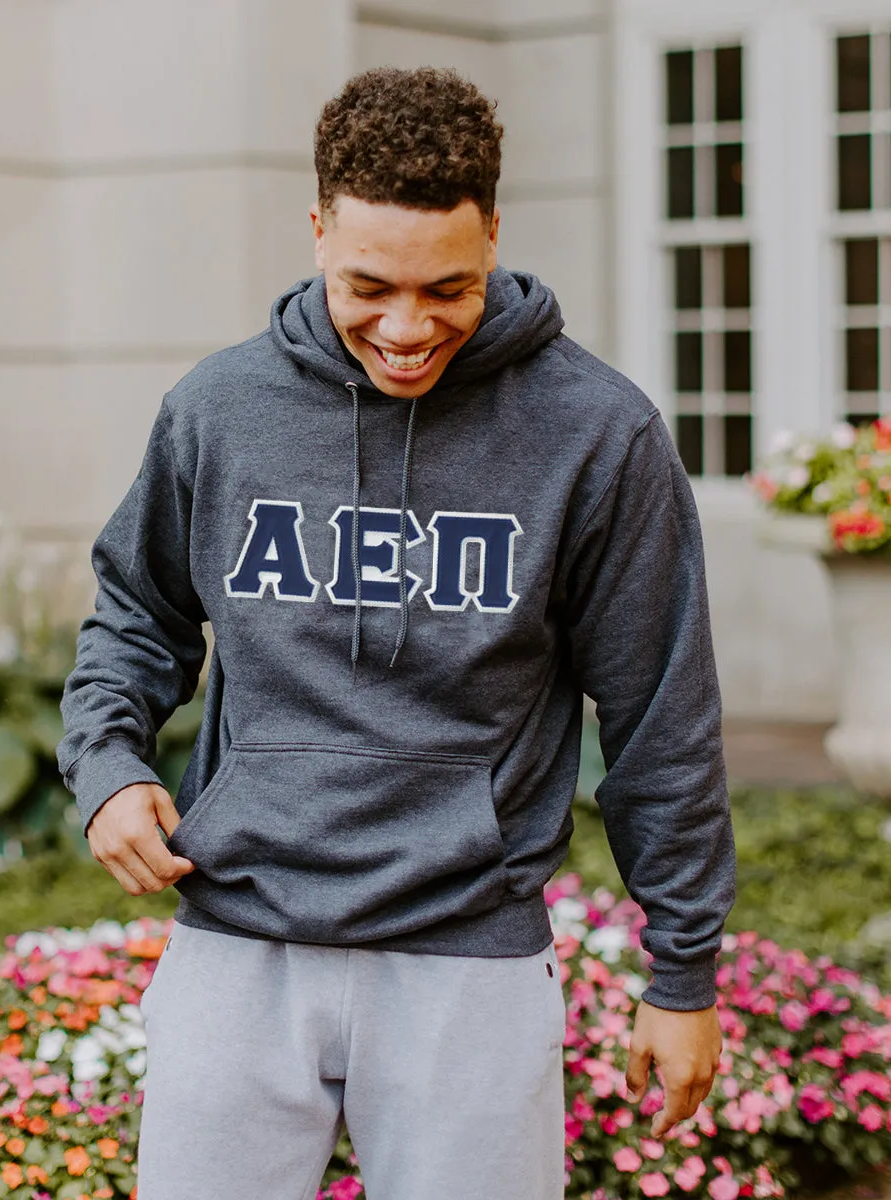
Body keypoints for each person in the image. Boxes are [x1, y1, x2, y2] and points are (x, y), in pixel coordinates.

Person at [58, 66, 735, 1200]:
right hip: (240, 939)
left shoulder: (596, 433)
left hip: (468, 952)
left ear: (496, 237)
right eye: (369, 286)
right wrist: (109, 768)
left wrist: (685, 970)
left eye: (449, 289)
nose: (409, 329)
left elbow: (661, 708)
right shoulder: (220, 412)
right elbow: (136, 615)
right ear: (317, 229)